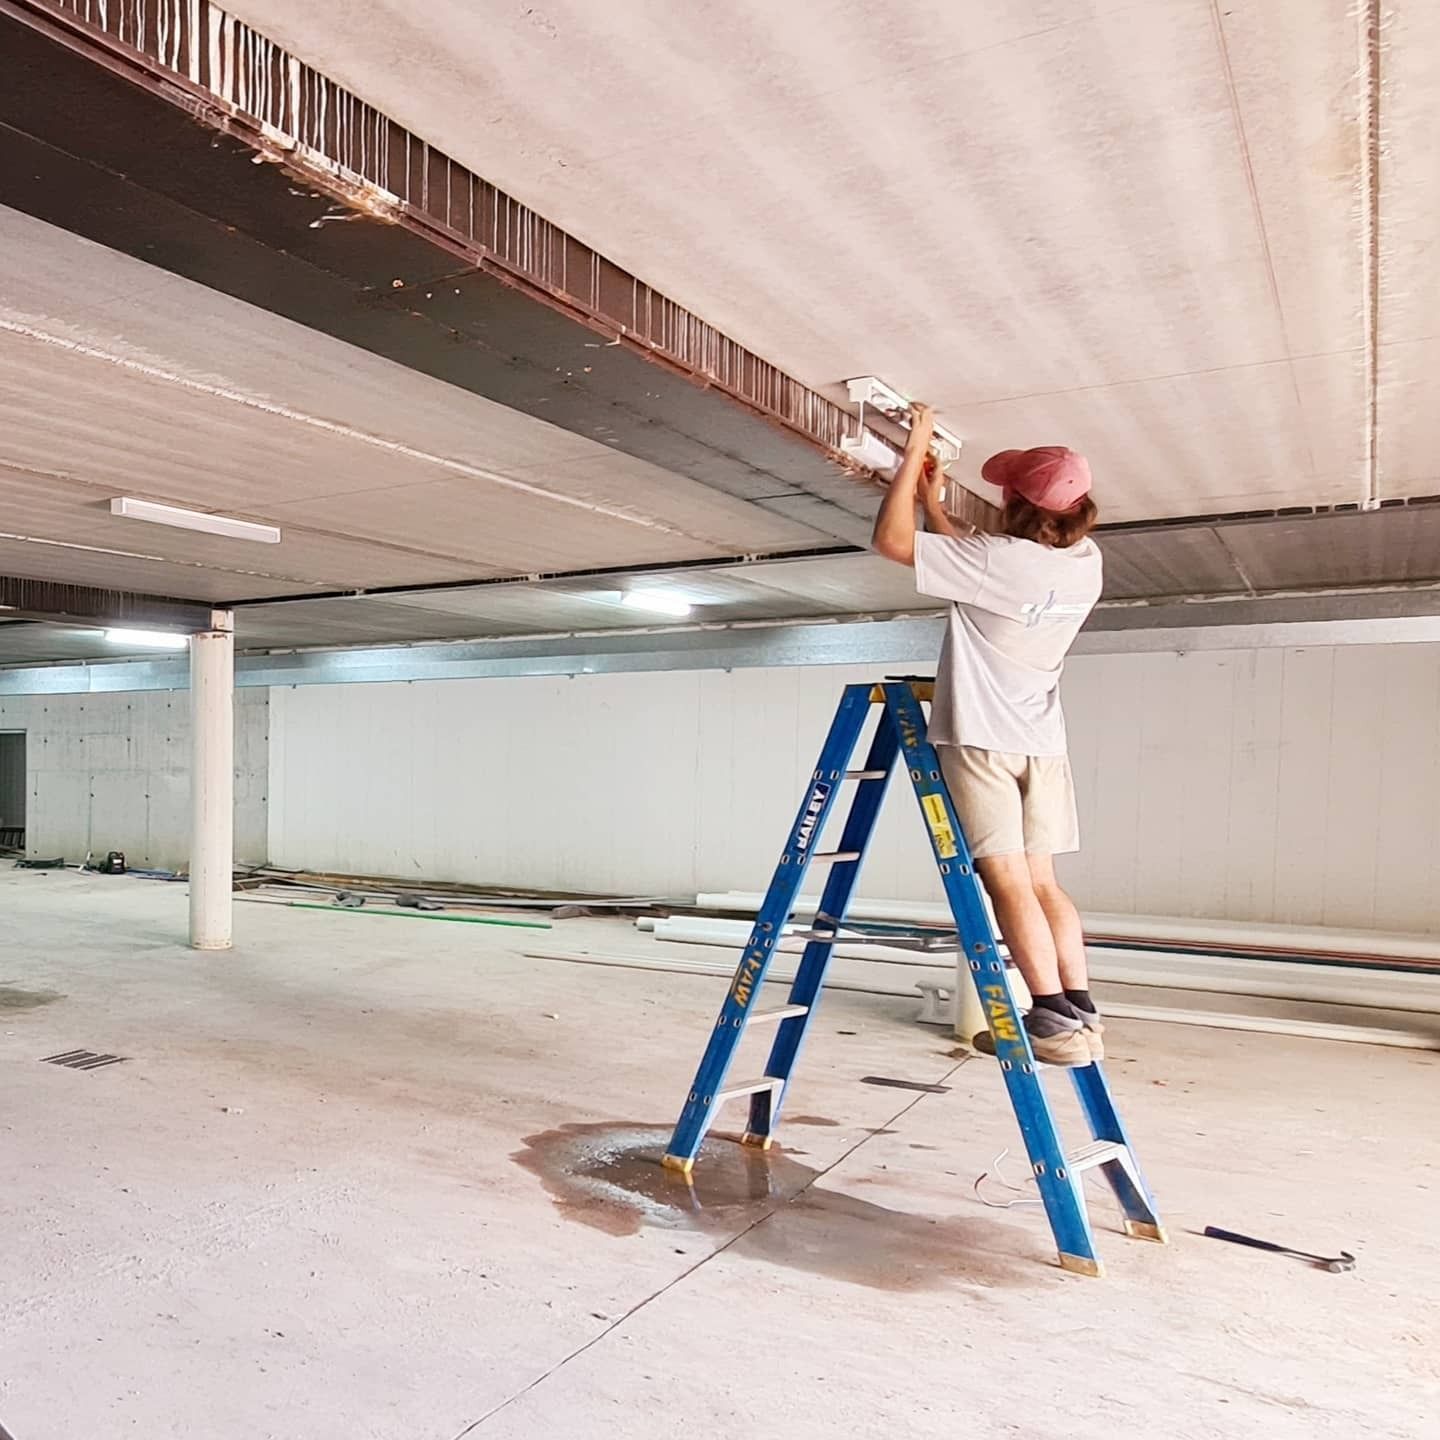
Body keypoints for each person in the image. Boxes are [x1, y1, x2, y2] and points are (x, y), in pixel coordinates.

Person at [871, 403, 1103, 1066]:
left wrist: (915, 451)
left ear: (1016, 507)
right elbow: (980, 571)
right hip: (1041, 743)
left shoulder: (1003, 559)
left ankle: (1051, 1022)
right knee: (1044, 881)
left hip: (985, 740)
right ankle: (1078, 1009)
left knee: (1004, 880)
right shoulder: (1085, 561)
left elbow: (892, 542)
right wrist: (936, 506)